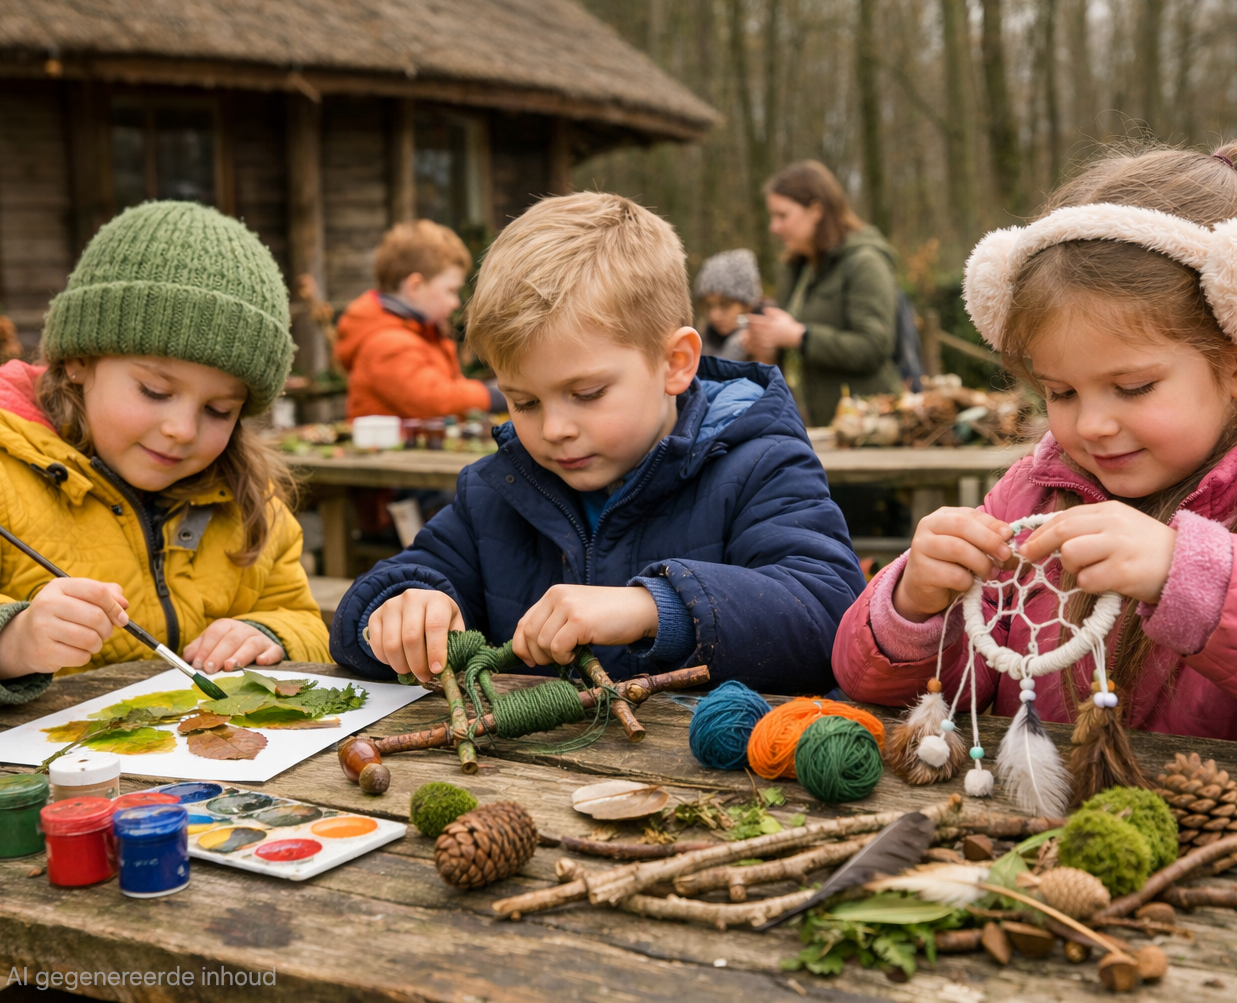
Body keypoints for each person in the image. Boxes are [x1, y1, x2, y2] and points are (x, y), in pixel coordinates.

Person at [832, 141, 1237, 763]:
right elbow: (934, 690)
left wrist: (1195, 577)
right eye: (1059, 391)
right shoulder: (1032, 493)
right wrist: (914, 608)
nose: (1091, 425)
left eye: (1132, 388)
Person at [329, 193, 865, 694]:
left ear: (675, 363)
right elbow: (369, 614)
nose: (553, 429)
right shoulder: (497, 491)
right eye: (525, 402)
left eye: (586, 393)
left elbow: (828, 618)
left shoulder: (759, 463)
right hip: (529, 784)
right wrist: (400, 608)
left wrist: (656, 607)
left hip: (716, 783)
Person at [0, 201, 329, 702]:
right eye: (154, 391)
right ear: (79, 360)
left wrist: (269, 636)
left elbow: (302, 617)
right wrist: (7, 641)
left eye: (218, 410)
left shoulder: (247, 500)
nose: (181, 429)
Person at [745, 160, 902, 426]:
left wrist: (800, 336)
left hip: (868, 427)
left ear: (816, 210)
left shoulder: (865, 261)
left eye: (782, 216)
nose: (774, 227)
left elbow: (874, 346)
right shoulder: (798, 267)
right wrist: (767, 344)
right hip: (811, 425)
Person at [335, 220, 504, 420]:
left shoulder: (423, 331)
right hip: (386, 450)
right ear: (415, 287)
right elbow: (433, 399)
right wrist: (494, 396)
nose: (455, 303)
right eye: (450, 291)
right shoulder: (386, 343)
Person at [693, 248, 766, 363]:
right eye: (709, 306)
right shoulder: (701, 339)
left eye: (725, 305)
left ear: (747, 304)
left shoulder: (767, 342)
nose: (714, 315)